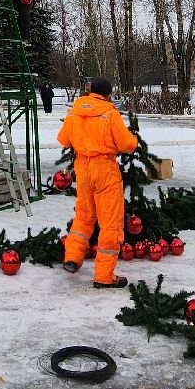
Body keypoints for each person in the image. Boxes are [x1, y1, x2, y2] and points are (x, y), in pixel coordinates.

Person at [57, 77, 139, 289]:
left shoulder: (74, 112)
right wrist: (134, 139)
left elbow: (64, 140)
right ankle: (104, 276)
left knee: (83, 215)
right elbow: (126, 144)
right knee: (110, 223)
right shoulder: (110, 114)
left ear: (89, 90)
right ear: (108, 94)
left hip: (82, 169)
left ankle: (72, 257)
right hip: (105, 170)